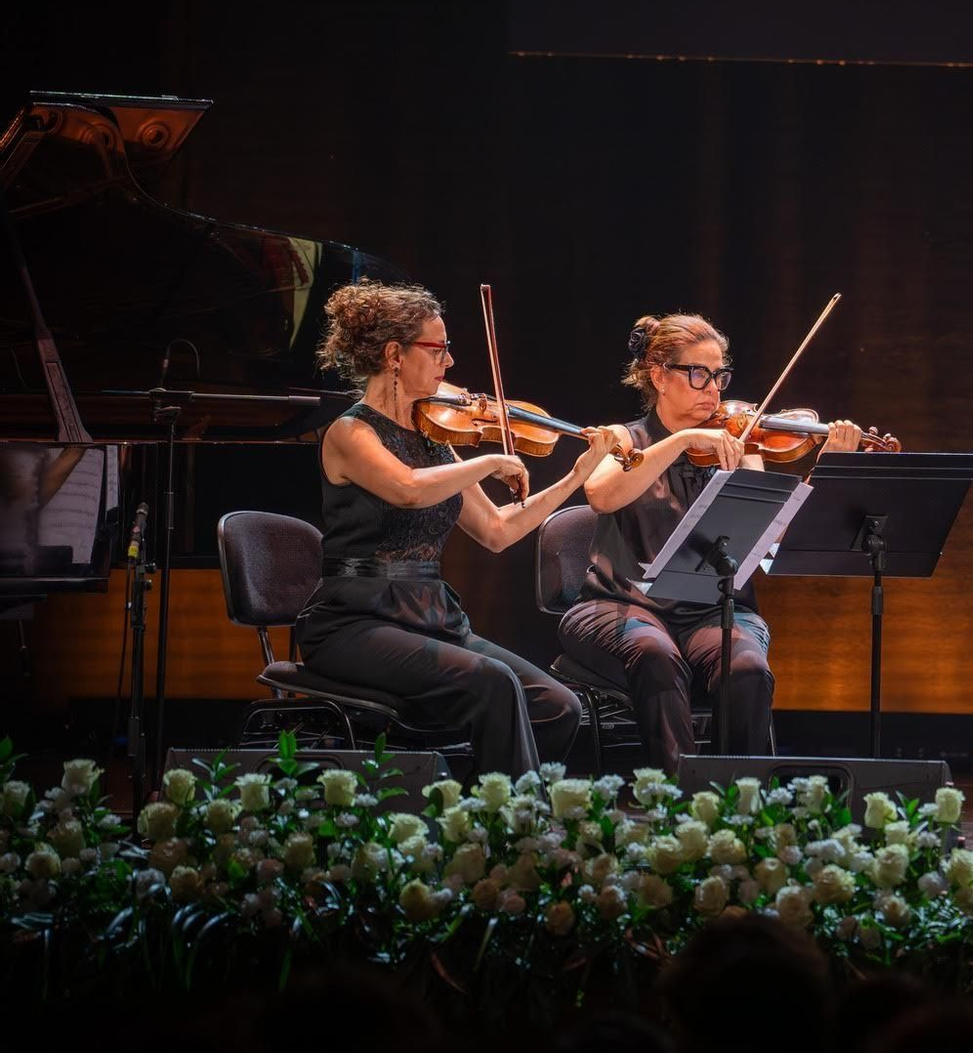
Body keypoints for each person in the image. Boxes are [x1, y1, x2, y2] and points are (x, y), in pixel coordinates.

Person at [296, 280, 616, 776]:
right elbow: (407, 488)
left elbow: (496, 530)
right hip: (353, 621)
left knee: (558, 705)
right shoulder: (350, 433)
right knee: (492, 682)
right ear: (394, 355)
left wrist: (577, 475)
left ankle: (475, 807)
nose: (449, 363)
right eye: (439, 348)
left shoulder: (435, 440)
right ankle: (506, 830)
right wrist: (486, 462)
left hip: (427, 615)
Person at [558, 314, 866, 771]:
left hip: (713, 609)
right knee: (654, 654)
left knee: (748, 670)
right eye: (698, 374)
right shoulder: (627, 439)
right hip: (618, 605)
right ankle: (678, 799)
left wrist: (829, 468)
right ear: (659, 376)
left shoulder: (740, 444)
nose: (713, 389)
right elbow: (602, 495)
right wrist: (681, 441)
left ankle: (738, 801)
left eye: (719, 375)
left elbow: (775, 533)